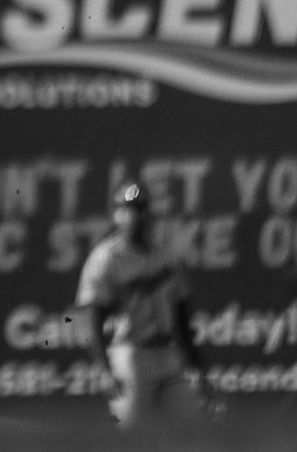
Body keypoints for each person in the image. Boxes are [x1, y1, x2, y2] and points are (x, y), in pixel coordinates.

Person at [74, 181, 217, 427]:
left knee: (194, 431)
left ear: (149, 214)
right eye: (127, 210)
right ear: (116, 215)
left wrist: (196, 367)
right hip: (131, 357)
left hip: (168, 354)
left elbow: (181, 321)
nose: (135, 217)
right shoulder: (106, 260)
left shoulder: (166, 256)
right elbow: (92, 321)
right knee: (132, 440)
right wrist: (104, 371)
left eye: (140, 210)